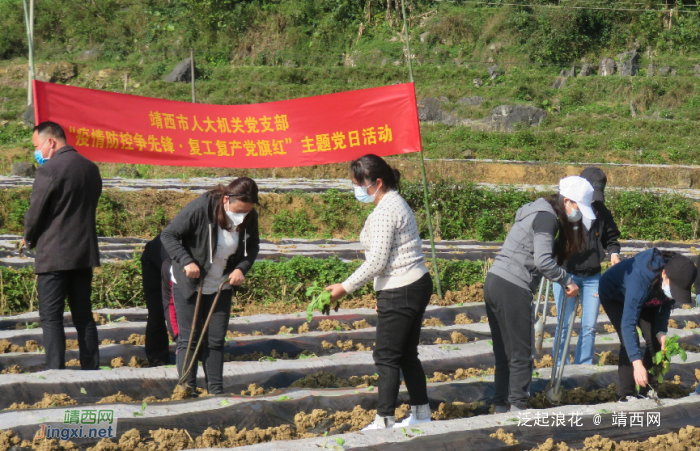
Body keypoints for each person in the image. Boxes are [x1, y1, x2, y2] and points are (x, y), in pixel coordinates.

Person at [326, 154, 433, 430]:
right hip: (409, 284)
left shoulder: (387, 209)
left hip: (403, 286)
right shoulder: (391, 203)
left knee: (386, 356)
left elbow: (377, 261)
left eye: (359, 184)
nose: (357, 190)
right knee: (406, 353)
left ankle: (384, 418)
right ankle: (421, 413)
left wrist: (343, 288)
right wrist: (382, 295)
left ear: (377, 182)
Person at [485, 176, 596, 412]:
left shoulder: (535, 210)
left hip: (495, 280)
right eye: (577, 207)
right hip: (512, 285)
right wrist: (567, 281)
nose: (578, 214)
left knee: (505, 352)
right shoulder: (547, 218)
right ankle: (517, 408)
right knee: (522, 353)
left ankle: (501, 406)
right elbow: (543, 261)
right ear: (567, 201)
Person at [161, 177, 260, 395]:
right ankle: (187, 389)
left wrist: (241, 268)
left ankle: (216, 391)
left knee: (215, 340)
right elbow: (168, 235)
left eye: (247, 211)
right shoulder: (199, 209)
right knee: (189, 339)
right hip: (190, 282)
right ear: (227, 200)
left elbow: (252, 247)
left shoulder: (249, 216)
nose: (242, 216)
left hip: (220, 284)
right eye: (239, 210)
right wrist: (187, 262)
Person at [23, 121, 102, 370]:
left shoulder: (50, 170)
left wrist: (29, 237)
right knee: (83, 314)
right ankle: (90, 367)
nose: (37, 153)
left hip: (54, 254)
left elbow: (36, 211)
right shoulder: (91, 168)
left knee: (51, 316)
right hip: (83, 253)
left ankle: (55, 370)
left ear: (51, 142)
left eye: (37, 146)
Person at [598, 248, 697, 401]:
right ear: (664, 274)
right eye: (673, 289)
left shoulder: (674, 276)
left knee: (655, 342)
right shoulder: (641, 276)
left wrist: (661, 331)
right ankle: (626, 394)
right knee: (630, 341)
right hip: (615, 296)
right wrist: (637, 364)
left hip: (648, 298)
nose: (673, 293)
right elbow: (628, 323)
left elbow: (665, 306)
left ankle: (647, 391)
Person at [551, 167, 621, 365]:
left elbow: (612, 237)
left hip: (592, 277)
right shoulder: (567, 209)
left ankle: (583, 366)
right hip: (567, 274)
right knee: (564, 325)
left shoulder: (601, 211)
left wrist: (613, 253)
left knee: (589, 325)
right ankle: (559, 367)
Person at [141, 234, 176, 366]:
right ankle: (157, 360)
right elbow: (171, 303)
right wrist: (177, 337)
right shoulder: (171, 251)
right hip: (154, 264)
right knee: (157, 311)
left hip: (176, 262)